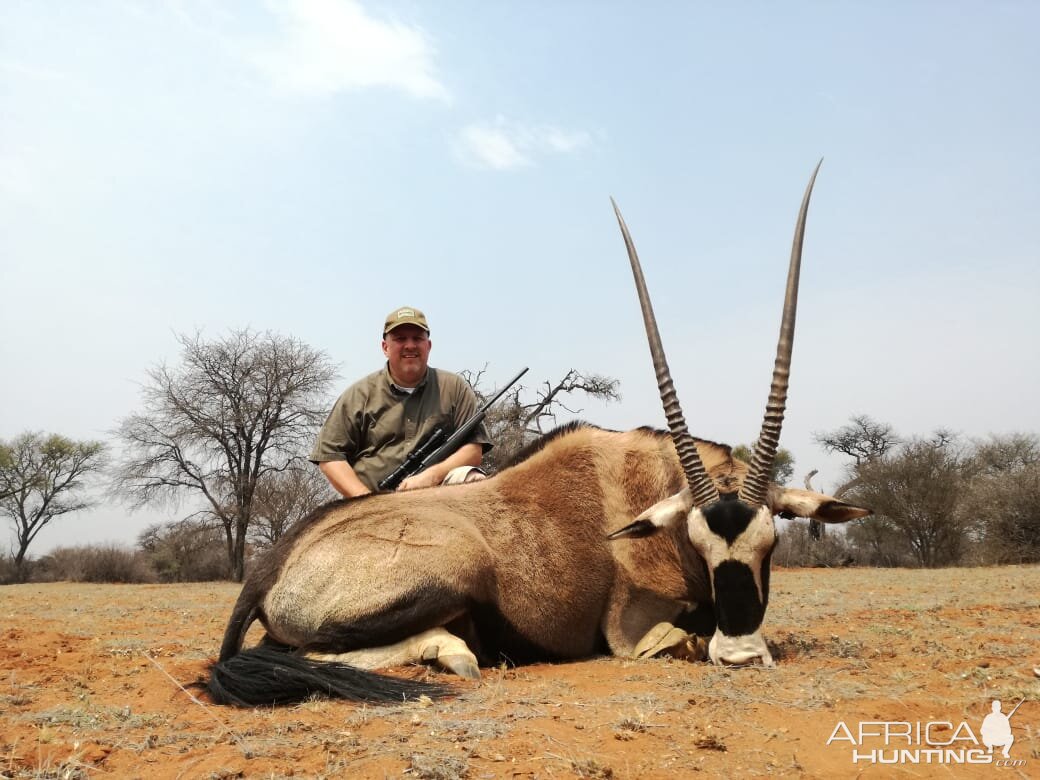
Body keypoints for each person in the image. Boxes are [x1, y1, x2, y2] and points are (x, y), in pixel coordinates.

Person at [310, 306, 491, 497]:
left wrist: (431, 476)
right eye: (400, 339)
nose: (410, 345)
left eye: (417, 338)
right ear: (385, 347)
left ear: (428, 346)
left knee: (474, 479)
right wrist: (365, 499)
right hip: (372, 500)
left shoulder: (454, 388)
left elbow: (474, 449)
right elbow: (330, 457)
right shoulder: (358, 394)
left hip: (439, 493)